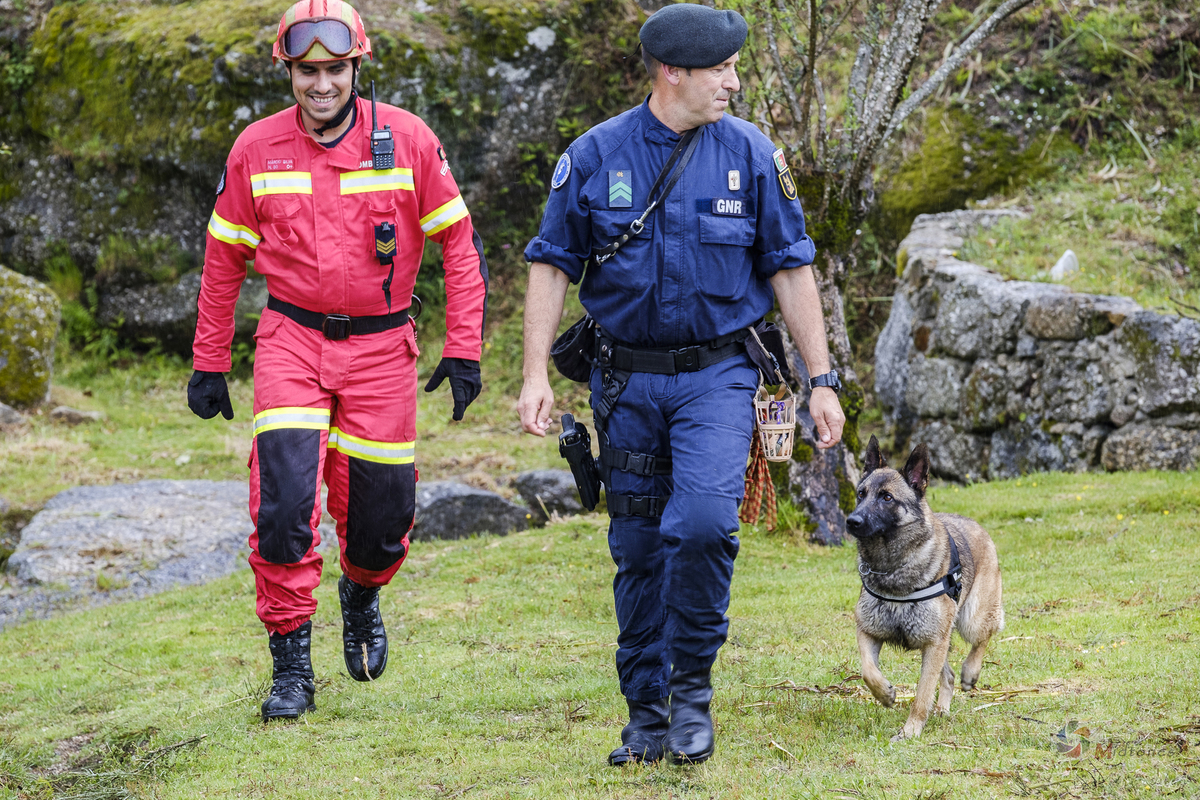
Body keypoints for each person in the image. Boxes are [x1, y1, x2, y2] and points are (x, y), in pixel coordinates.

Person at [517, 3, 845, 766]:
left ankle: (691, 691)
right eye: (720, 69)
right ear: (673, 72)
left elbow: (791, 268)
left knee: (701, 526)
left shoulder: (751, 154)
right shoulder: (596, 156)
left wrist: (821, 380)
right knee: (637, 548)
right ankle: (647, 714)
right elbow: (551, 264)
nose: (733, 82)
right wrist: (534, 375)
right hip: (625, 384)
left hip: (718, 379)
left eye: (734, 68)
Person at [187, 0, 488, 722]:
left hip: (383, 351)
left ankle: (362, 591)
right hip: (291, 341)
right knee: (284, 504)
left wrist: (464, 347)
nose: (321, 84)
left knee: (380, 519)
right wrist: (209, 360)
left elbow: (460, 246)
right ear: (288, 71)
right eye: (306, 71)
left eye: (335, 70)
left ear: (358, 67)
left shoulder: (407, 140)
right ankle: (292, 665)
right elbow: (223, 262)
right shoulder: (255, 148)